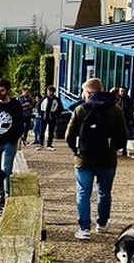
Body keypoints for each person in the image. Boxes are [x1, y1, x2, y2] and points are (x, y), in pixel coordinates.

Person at [65, 78, 128, 240]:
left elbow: (69, 136)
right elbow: (123, 137)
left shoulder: (80, 110)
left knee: (83, 193)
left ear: (89, 92)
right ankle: (102, 223)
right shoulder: (115, 110)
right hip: (107, 160)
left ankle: (84, 228)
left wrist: (77, 151)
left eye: (83, 91)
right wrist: (112, 149)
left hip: (84, 159)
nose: (81, 94)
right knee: (104, 192)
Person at [38, 86, 63, 150]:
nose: (48, 92)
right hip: (44, 117)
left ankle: (49, 145)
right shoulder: (44, 98)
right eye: (48, 91)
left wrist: (55, 114)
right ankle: (41, 144)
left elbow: (60, 109)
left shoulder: (57, 99)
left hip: (52, 117)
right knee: (42, 131)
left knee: (51, 132)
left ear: (53, 92)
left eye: (50, 91)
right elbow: (39, 105)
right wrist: (40, 114)